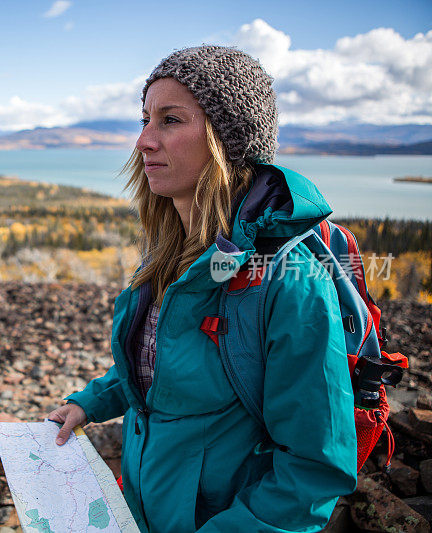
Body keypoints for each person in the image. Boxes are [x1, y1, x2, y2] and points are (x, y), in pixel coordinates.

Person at [47, 46, 358, 533]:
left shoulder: (286, 278)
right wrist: (92, 401)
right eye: (145, 118)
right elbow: (165, 358)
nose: (143, 141)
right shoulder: (170, 250)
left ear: (229, 142)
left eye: (170, 120)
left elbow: (314, 468)